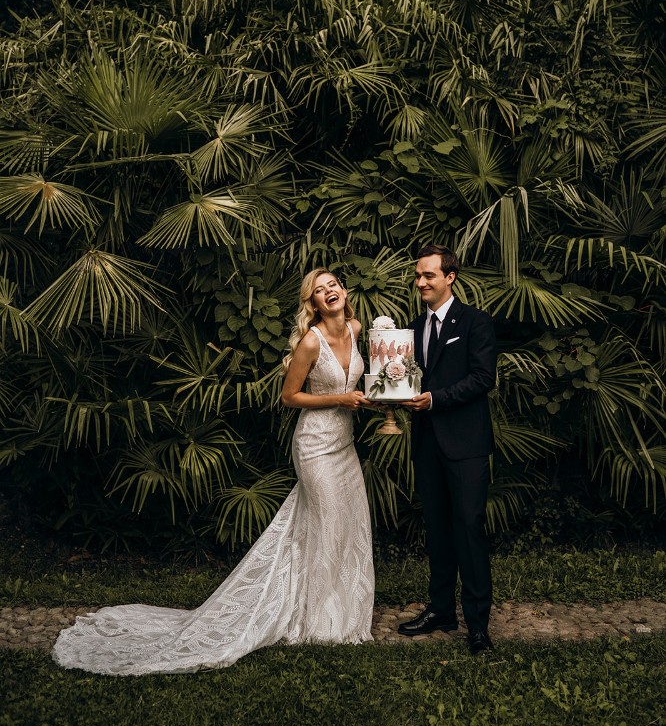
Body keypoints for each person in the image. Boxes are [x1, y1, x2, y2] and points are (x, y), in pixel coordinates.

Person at [52, 269, 374, 675]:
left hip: (345, 444)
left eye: (333, 285)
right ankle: (321, 621)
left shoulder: (357, 330)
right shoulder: (311, 342)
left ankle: (343, 607)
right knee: (327, 523)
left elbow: (368, 380)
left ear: (344, 291)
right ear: (311, 303)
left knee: (347, 522)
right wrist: (339, 399)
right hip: (314, 445)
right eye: (319, 290)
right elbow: (289, 396)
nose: (329, 292)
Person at [401, 245, 496, 655]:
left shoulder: (475, 322)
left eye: (429, 275)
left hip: (466, 444)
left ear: (450, 277)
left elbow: (483, 378)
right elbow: (403, 380)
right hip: (427, 444)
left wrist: (435, 399)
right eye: (418, 276)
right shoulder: (410, 329)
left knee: (468, 530)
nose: (421, 282)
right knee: (437, 531)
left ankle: (478, 626)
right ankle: (441, 610)